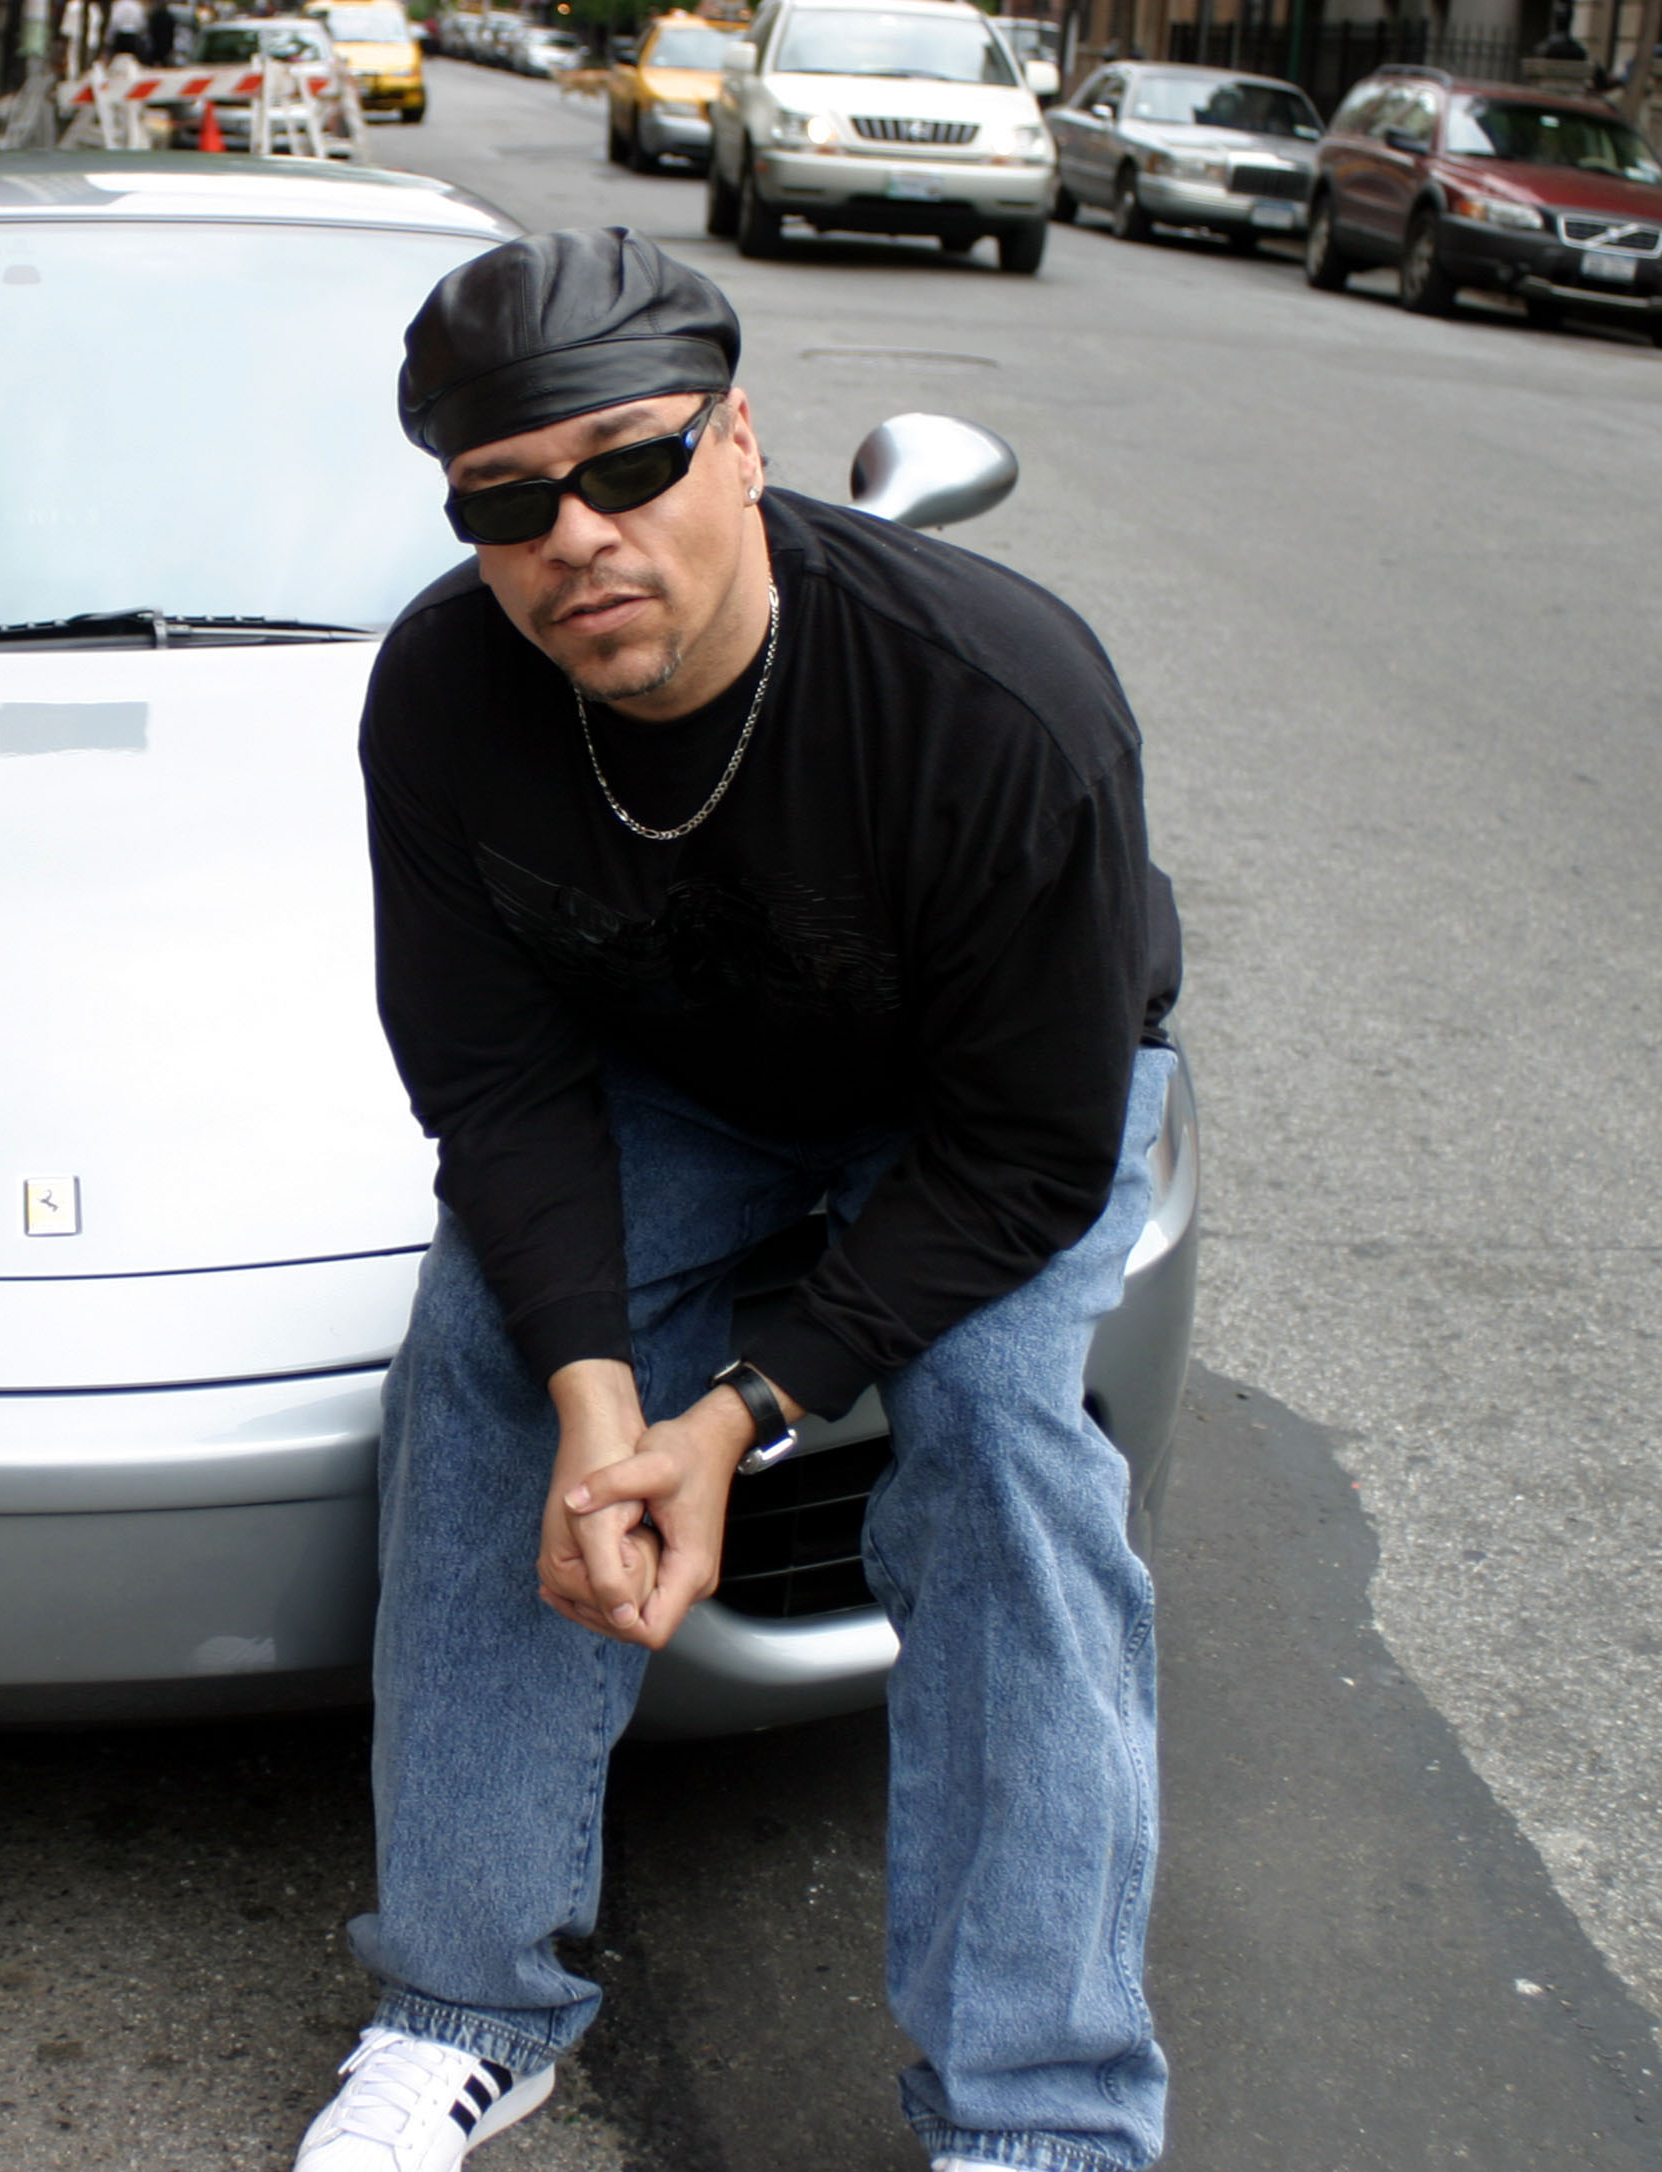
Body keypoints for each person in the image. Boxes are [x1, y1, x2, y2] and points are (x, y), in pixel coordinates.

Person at [294, 227, 1182, 2172]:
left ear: (741, 443)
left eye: (629, 462)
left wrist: (742, 1413)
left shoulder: (991, 699)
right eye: (508, 503)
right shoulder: (445, 697)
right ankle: (469, 2004)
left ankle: (1040, 2115)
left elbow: (1034, 1156)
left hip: (987, 1102)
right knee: (479, 1374)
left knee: (1003, 1441)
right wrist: (606, 1407)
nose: (578, 536)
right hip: (691, 1080)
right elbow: (498, 1086)